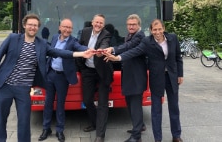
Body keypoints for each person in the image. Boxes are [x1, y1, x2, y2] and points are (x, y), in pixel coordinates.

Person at [0, 13, 93, 142]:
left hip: (23, 89)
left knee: (25, 121)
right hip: (5, 86)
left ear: (38, 28)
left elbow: (59, 52)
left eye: (35, 25)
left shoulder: (41, 44)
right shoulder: (13, 38)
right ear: (24, 25)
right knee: (1, 119)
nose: (32, 27)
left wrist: (82, 53)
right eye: (30, 24)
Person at [104, 19, 184, 142]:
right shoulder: (147, 41)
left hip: (172, 77)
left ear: (163, 29)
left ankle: (176, 135)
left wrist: (180, 74)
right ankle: (158, 138)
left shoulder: (173, 38)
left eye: (159, 29)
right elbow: (134, 51)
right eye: (154, 30)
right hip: (156, 78)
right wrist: (117, 58)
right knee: (156, 110)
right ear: (151, 30)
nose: (157, 32)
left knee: (174, 108)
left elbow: (178, 57)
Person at [38, 18, 88, 142]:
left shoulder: (73, 41)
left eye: (70, 28)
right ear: (60, 27)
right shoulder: (54, 37)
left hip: (62, 77)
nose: (67, 30)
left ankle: (59, 130)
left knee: (60, 104)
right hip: (50, 75)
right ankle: (46, 128)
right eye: (65, 27)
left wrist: (89, 50)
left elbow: (80, 47)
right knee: (48, 103)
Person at [104, 14, 147, 142]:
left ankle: (136, 136)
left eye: (133, 24)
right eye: (129, 24)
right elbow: (126, 46)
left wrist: (114, 51)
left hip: (136, 77)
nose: (131, 26)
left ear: (139, 25)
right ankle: (140, 126)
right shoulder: (130, 36)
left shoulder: (140, 36)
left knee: (135, 105)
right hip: (129, 75)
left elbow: (128, 48)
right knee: (130, 103)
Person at [76, 14, 113, 142]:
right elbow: (79, 45)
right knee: (87, 100)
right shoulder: (85, 32)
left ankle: (100, 135)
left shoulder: (106, 34)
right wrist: (81, 66)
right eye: (96, 22)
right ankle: (95, 123)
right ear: (92, 22)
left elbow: (105, 43)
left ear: (103, 25)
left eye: (101, 23)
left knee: (103, 103)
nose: (98, 25)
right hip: (88, 71)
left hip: (102, 72)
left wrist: (100, 51)